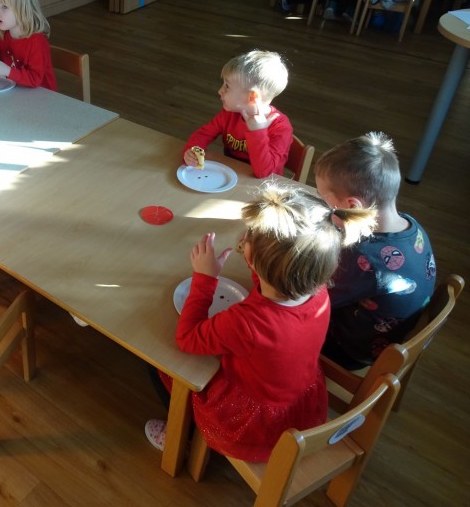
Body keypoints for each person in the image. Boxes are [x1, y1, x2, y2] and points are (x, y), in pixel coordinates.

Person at [144, 184, 377, 460]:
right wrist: (256, 258)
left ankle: (183, 435)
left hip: (247, 424)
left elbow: (187, 339)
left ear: (252, 257)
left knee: (159, 364)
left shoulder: (248, 322)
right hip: (297, 402)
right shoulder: (318, 293)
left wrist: (205, 278)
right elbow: (279, 277)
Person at [314, 132, 437, 370]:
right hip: (386, 336)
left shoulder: (365, 259)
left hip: (348, 350)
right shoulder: (411, 225)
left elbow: (309, 295)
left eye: (325, 201)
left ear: (352, 206)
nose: (324, 207)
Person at [182, 50, 292, 178]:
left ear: (252, 97)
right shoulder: (229, 114)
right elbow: (204, 134)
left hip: (260, 185)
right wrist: (191, 151)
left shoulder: (281, 127)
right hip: (232, 175)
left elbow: (264, 173)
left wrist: (257, 131)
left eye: (227, 86)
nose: (220, 90)